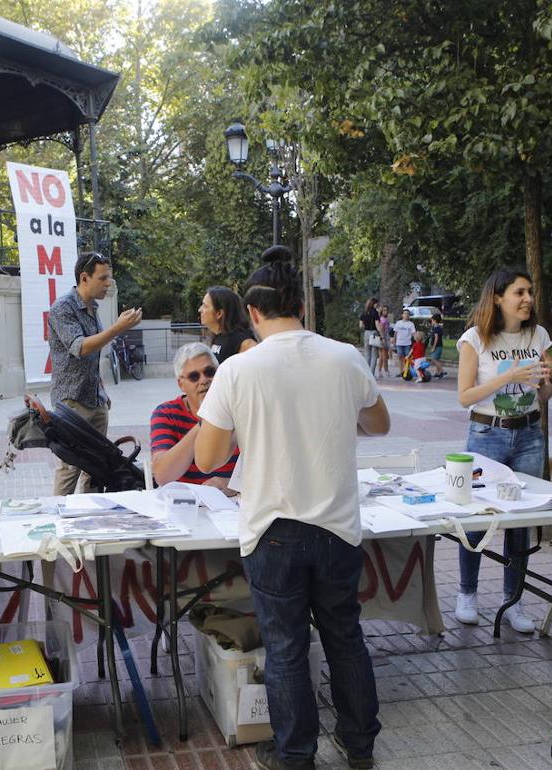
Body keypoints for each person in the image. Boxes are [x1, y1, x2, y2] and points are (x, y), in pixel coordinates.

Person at [195, 245, 390, 770]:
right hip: (336, 527)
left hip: (272, 529)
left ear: (252, 314)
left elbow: (208, 457)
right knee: (345, 638)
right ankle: (360, 746)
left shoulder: (238, 369)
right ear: (302, 305)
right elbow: (380, 424)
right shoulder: (345, 356)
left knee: (286, 649)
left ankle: (295, 756)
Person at [454, 268, 552, 634]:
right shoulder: (475, 338)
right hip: (487, 434)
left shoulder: (538, 335)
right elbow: (465, 397)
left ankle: (512, 601)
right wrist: (507, 378)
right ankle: (467, 593)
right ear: (498, 298)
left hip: (530, 433)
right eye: (519, 292)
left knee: (520, 521)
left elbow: (543, 395)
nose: (528, 299)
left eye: (529, 292)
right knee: (476, 519)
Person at [47, 252, 143, 495]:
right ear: (84, 278)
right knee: (70, 466)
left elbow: (94, 353)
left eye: (108, 278)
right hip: (71, 402)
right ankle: (59, 518)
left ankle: (92, 519)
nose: (108, 283)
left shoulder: (93, 307)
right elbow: (81, 347)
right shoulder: (62, 308)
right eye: (103, 278)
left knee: (96, 466)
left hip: (95, 399)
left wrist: (101, 388)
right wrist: (118, 328)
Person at [150, 342, 238, 489]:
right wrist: (205, 419)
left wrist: (231, 485)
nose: (204, 380)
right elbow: (162, 475)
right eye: (194, 376)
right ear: (181, 384)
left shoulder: (239, 408)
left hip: (235, 503)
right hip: (185, 505)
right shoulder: (166, 413)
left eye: (209, 372)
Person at [199, 286, 256, 363]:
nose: (200, 310)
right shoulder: (218, 336)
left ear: (219, 314)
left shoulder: (241, 340)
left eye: (205, 306)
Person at [359, 298, 381, 373]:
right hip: (374, 333)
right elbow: (377, 324)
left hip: (366, 333)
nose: (377, 305)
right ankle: (371, 373)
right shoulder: (375, 313)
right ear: (374, 304)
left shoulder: (364, 313)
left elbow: (361, 325)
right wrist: (381, 335)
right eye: (376, 304)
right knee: (374, 354)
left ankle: (366, 372)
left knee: (367, 353)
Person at [393, 309, 416, 375]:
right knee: (400, 357)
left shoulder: (411, 324)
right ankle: (401, 371)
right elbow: (395, 333)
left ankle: (406, 371)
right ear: (402, 315)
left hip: (407, 343)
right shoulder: (398, 323)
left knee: (407, 358)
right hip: (399, 343)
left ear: (409, 315)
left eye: (407, 314)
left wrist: (417, 340)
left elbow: (413, 333)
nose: (406, 315)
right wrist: (394, 341)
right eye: (405, 313)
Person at [428, 313, 447, 379]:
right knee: (437, 359)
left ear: (435, 320)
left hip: (437, 346)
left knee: (434, 359)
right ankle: (438, 372)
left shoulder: (436, 328)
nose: (431, 322)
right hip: (439, 346)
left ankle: (442, 371)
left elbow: (436, 338)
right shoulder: (438, 327)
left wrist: (433, 347)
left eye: (432, 320)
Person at [375, 306, 392, 377]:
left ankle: (379, 371)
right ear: (381, 311)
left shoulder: (384, 319)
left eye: (386, 310)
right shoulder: (383, 320)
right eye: (384, 310)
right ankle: (386, 370)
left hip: (385, 337)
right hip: (384, 338)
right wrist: (383, 338)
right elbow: (381, 329)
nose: (386, 312)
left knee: (382, 356)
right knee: (385, 356)